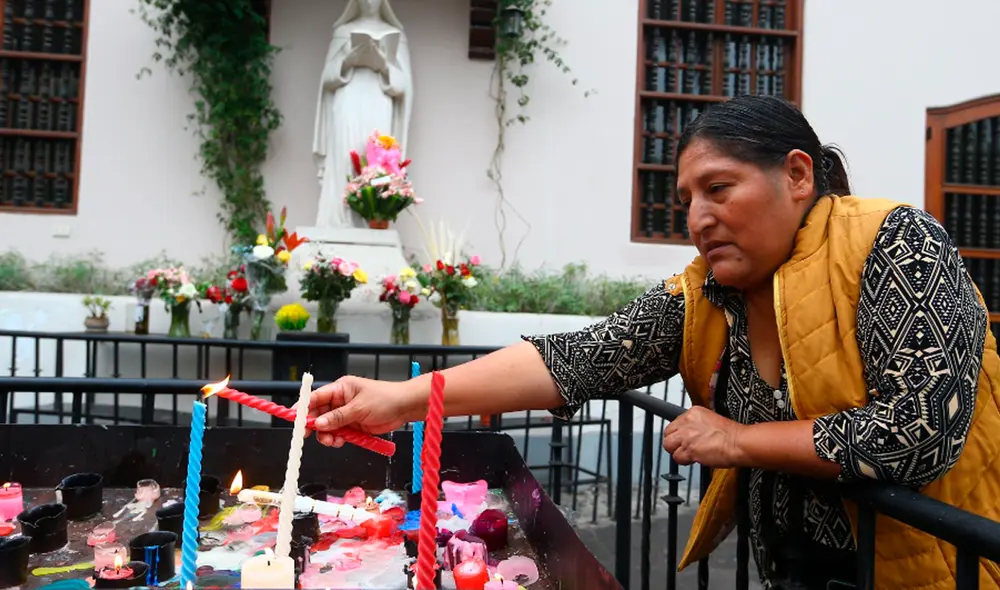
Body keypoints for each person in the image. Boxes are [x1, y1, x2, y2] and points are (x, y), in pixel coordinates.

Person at [306, 95, 1000, 590]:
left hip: (942, 563)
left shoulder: (894, 241)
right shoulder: (707, 293)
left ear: (797, 175)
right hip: (797, 568)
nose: (699, 219)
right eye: (687, 202)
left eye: (719, 189)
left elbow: (919, 429)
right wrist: (401, 399)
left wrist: (735, 441)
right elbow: (578, 358)